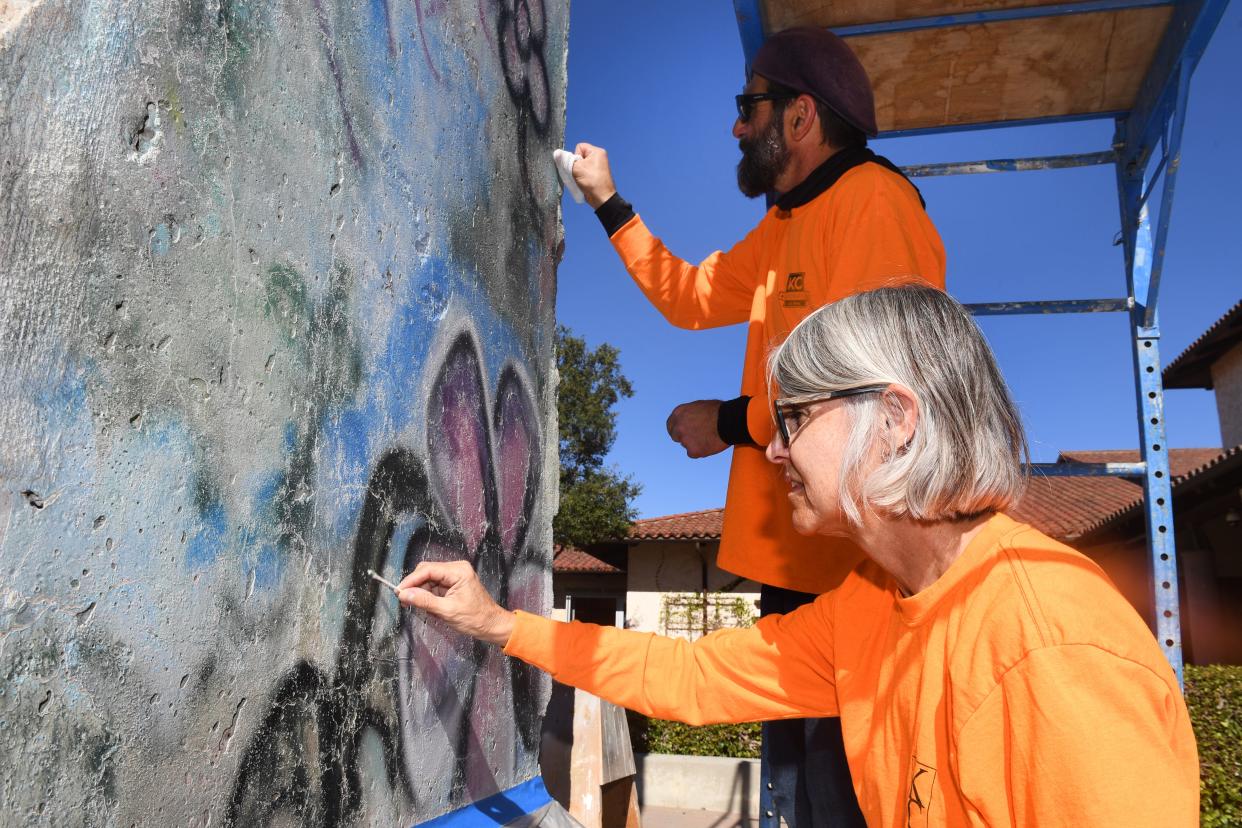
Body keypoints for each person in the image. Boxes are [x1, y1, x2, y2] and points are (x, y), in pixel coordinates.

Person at [397, 285, 1200, 827]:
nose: (775, 453)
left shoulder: (1050, 649)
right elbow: (695, 676)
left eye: (795, 420)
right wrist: (501, 626)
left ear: (895, 420)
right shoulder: (874, 601)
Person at [570, 27, 945, 825]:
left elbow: (880, 385)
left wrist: (729, 422)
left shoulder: (875, 203)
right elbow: (689, 295)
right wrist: (609, 201)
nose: (739, 127)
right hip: (797, 567)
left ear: (802, 117)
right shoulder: (782, 228)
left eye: (750, 107)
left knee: (841, 805)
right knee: (796, 805)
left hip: (857, 573)